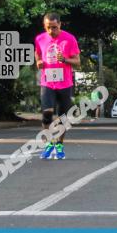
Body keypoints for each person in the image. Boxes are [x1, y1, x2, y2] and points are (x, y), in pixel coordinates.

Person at [34, 12, 81, 160]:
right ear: (44, 26)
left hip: (64, 83)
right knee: (47, 114)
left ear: (60, 24)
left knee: (62, 118)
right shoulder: (39, 38)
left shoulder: (70, 39)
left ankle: (59, 145)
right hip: (47, 82)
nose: (51, 31)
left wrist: (66, 59)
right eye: (48, 27)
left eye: (54, 27)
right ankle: (49, 143)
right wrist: (38, 62)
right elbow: (38, 53)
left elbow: (78, 62)